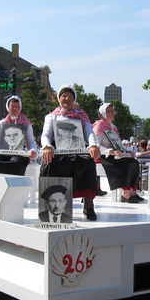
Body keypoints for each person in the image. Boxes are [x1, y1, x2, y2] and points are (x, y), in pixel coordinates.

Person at [40, 85, 101, 221]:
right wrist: (47, 146)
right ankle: (52, 207)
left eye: (70, 96)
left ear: (73, 99)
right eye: (64, 96)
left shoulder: (81, 116)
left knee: (87, 161)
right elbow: (46, 134)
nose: (66, 98)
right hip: (58, 150)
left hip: (77, 149)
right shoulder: (52, 117)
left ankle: (88, 205)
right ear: (59, 98)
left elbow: (89, 132)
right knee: (49, 163)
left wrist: (92, 145)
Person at [93, 102, 143, 203]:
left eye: (113, 111)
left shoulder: (112, 127)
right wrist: (109, 151)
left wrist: (129, 152)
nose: (112, 113)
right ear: (102, 113)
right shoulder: (98, 126)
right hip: (103, 155)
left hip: (115, 154)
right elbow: (96, 145)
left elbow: (118, 144)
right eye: (109, 111)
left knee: (134, 163)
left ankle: (132, 190)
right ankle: (125, 193)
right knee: (124, 163)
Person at [0, 95, 38, 176]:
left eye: (17, 106)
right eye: (12, 106)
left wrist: (33, 151)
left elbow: (30, 141)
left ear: (20, 108)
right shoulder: (1, 124)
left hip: (19, 153)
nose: (15, 109)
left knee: (14, 163)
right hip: (3, 152)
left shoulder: (26, 124)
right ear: (8, 108)